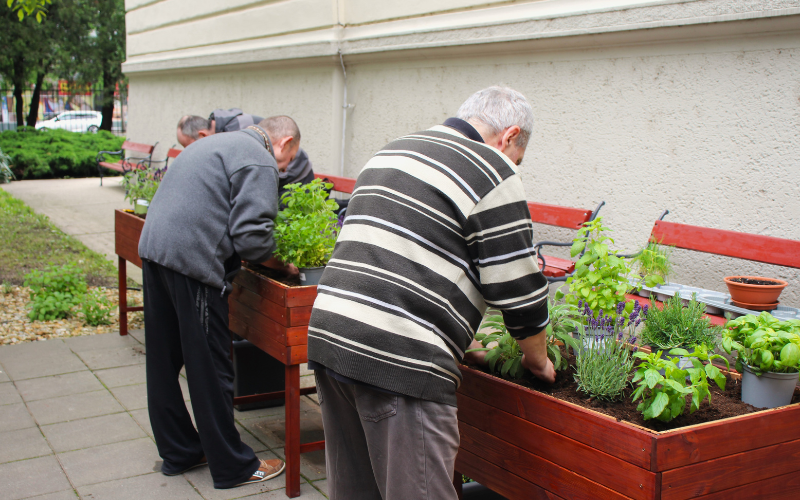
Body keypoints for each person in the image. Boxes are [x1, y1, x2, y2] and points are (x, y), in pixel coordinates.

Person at [306, 86, 555, 500]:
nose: (514, 166)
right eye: (517, 157)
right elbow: (520, 291)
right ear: (509, 137)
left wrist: (462, 341)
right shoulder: (492, 168)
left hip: (331, 337)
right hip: (399, 362)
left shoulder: (396, 150)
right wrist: (538, 359)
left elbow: (395, 259)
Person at [138, 116, 301, 489]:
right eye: (289, 161)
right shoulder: (257, 157)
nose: (285, 169)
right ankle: (233, 467)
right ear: (284, 142)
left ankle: (180, 452)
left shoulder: (214, 144)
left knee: (163, 362)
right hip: (192, 261)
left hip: (155, 251)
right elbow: (252, 240)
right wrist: (283, 265)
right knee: (210, 367)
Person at [176, 111, 316, 199]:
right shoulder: (224, 130)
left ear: (202, 135)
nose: (188, 151)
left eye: (188, 146)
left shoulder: (236, 132)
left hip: (295, 173)